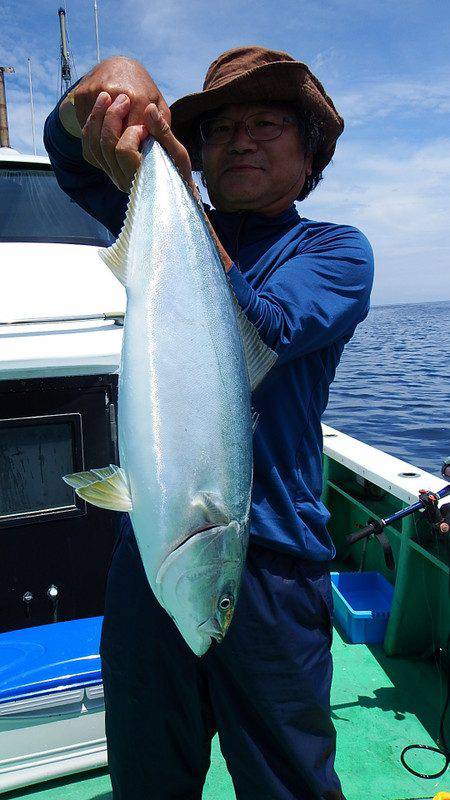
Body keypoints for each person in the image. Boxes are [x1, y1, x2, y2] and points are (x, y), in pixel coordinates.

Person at [44, 46, 374, 800]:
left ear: (310, 151)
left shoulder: (333, 250)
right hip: (152, 555)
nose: (242, 140)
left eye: (267, 124)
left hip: (271, 575)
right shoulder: (159, 208)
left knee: (287, 784)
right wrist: (93, 101)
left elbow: (267, 326)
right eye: (222, 128)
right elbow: (67, 161)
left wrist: (172, 187)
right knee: (148, 779)